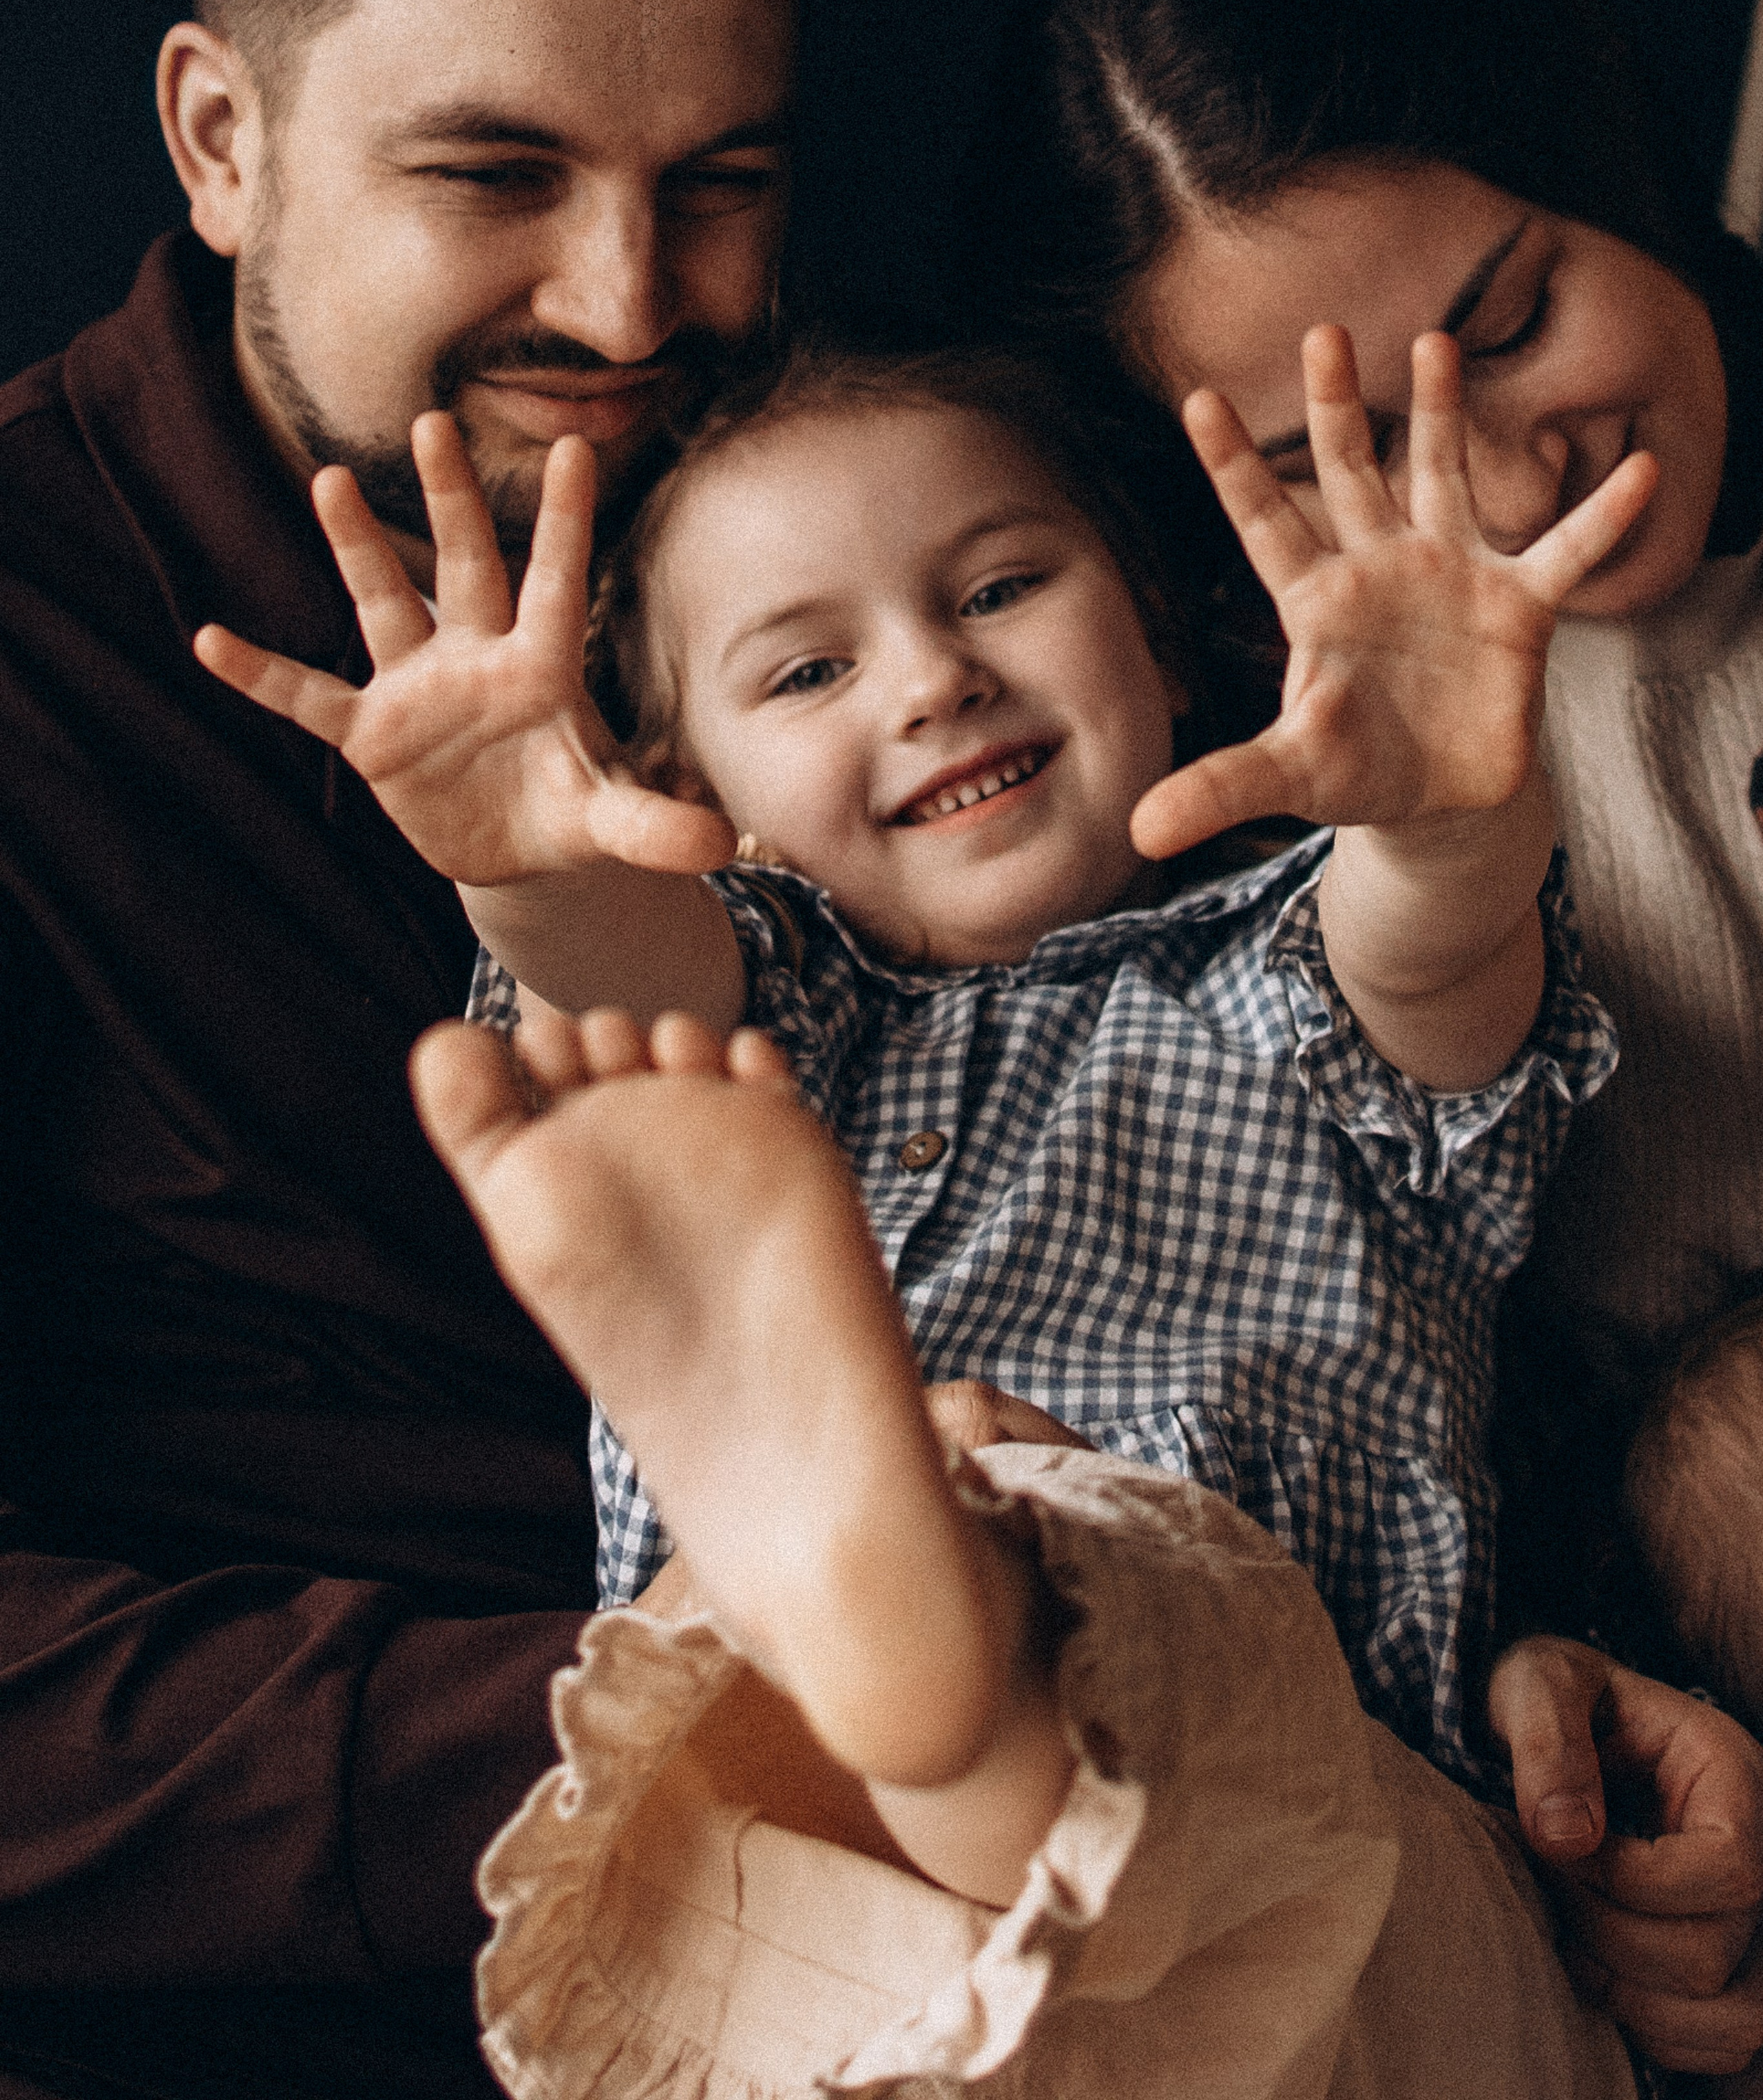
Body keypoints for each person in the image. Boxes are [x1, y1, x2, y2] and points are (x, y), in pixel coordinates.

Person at [201, 298, 1651, 2093]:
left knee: (1110, 1605)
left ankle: (943, 1625)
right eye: (805, 673)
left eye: (995, 591)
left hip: (1326, 1871)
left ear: (1165, 640)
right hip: (851, 1949)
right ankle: (909, 1625)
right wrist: (524, 864)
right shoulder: (760, 1041)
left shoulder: (1301, 983)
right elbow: (623, 970)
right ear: (684, 791)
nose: (928, 677)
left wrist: (1443, 809)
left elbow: (1438, 944)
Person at [0, 0, 797, 2100]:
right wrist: (680, 1742)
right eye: (498, 171)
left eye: (722, 178)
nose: (630, 297)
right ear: (221, 140)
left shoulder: (873, 550)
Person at [954, 0, 1763, 2077]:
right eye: (1351, 462)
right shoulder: (1293, 856)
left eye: (1508, 317)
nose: (1503, 482)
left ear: (1597, 150)